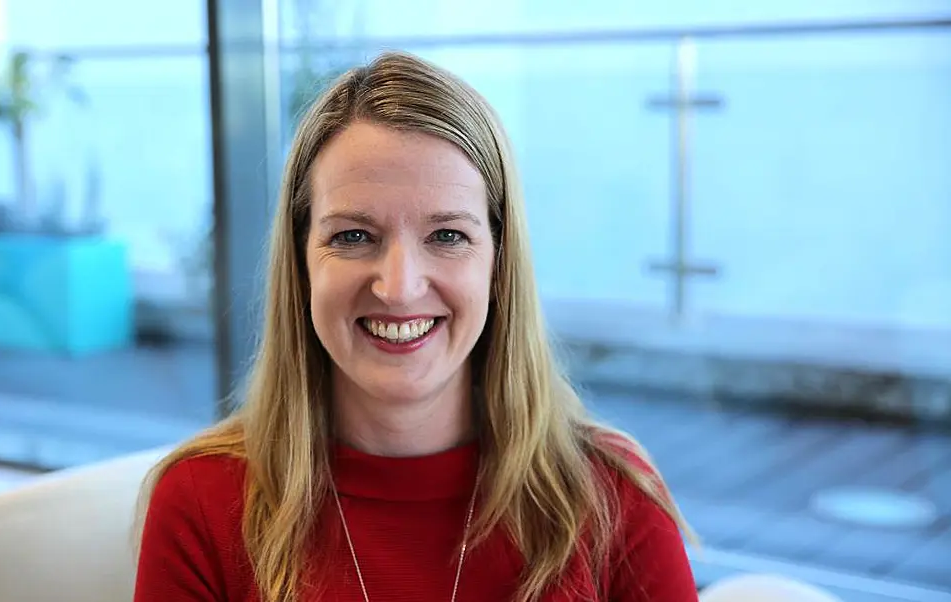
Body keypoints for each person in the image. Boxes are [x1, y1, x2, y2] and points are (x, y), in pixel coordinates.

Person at [133, 50, 699, 602]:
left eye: (447, 236)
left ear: (499, 264)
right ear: (301, 265)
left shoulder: (616, 495)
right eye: (353, 236)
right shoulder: (200, 501)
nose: (399, 287)